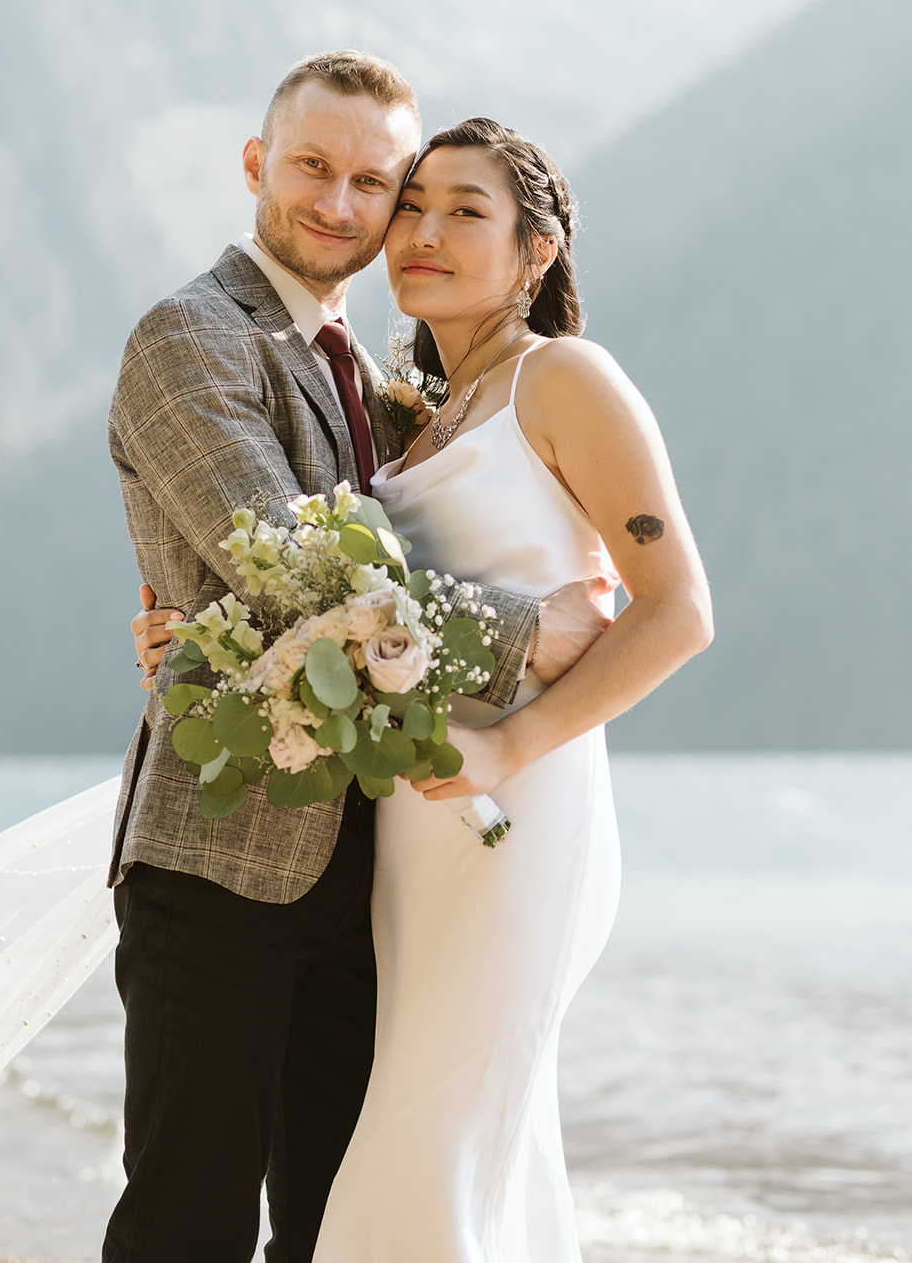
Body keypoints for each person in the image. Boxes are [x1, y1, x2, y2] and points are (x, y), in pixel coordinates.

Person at [132, 113, 713, 1260]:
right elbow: (335, 592)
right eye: (413, 206)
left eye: (466, 210)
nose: (423, 232)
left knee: (432, 1148)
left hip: (514, 816)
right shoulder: (414, 415)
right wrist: (202, 636)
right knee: (457, 1150)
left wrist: (510, 745)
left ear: (537, 250)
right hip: (405, 835)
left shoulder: (565, 377)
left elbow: (678, 609)